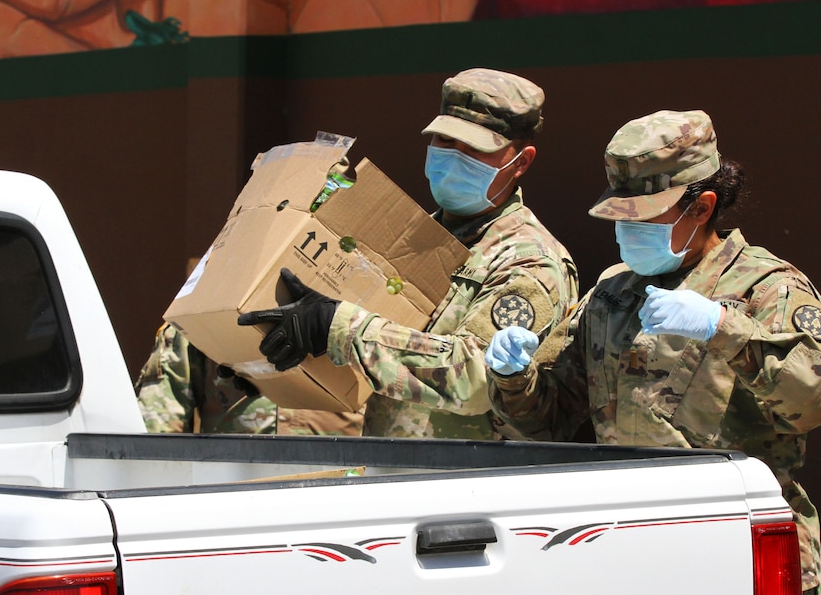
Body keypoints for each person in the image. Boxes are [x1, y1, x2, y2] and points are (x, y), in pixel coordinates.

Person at [484, 109, 821, 595]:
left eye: (646, 217)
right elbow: (553, 418)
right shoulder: (613, 293)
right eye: (620, 218)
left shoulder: (768, 289)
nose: (628, 234)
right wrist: (514, 377)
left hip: (739, 552)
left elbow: (818, 398)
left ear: (702, 207)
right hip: (628, 552)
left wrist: (725, 330)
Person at [236, 67, 578, 439]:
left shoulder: (530, 260)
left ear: (522, 161)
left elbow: (478, 379)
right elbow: (379, 362)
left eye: (476, 150)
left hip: (471, 484)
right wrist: (269, 364)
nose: (454, 157)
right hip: (392, 473)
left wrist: (337, 326)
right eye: (445, 141)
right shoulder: (413, 236)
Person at [135, 322, 364, 435]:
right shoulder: (204, 314)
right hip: (237, 498)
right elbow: (158, 429)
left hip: (343, 497)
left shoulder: (363, 311)